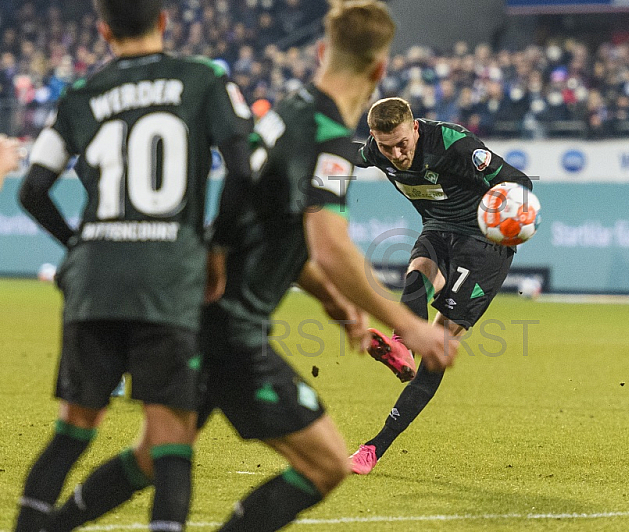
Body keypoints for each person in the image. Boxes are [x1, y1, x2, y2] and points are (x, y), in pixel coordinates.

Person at [41, 1, 457, 531]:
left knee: (151, 457)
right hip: (233, 327)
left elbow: (278, 233)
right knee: (326, 463)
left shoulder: (288, 110)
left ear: (322, 51)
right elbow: (329, 245)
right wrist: (409, 326)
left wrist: (337, 307)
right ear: (378, 71)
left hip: (200, 309)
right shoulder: (329, 136)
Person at [14, 0, 253, 529]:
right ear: (163, 21)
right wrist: (216, 248)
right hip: (167, 280)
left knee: (72, 432)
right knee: (170, 441)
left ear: (103, 31)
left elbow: (32, 190)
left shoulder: (81, 94)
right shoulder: (204, 79)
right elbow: (243, 170)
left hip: (94, 282)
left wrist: (78, 246)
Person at [349, 96, 533, 474]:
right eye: (387, 147)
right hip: (439, 229)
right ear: (374, 138)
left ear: (415, 127)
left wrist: (512, 220)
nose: (397, 154)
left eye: (403, 143)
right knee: (417, 274)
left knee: (439, 348)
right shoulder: (377, 151)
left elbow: (519, 182)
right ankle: (402, 348)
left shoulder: (452, 143)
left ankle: (375, 446)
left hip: (485, 245)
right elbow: (347, 153)